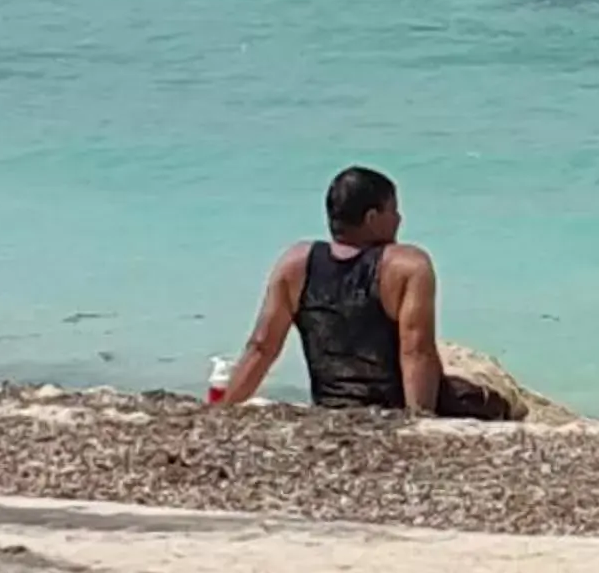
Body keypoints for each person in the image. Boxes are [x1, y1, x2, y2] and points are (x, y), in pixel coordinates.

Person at [212, 167, 516, 418]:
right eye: (393, 211)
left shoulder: (295, 263)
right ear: (372, 218)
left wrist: (224, 411)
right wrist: (420, 420)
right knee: (497, 406)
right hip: (393, 405)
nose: (399, 219)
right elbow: (415, 352)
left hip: (330, 405)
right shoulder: (407, 265)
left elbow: (262, 347)